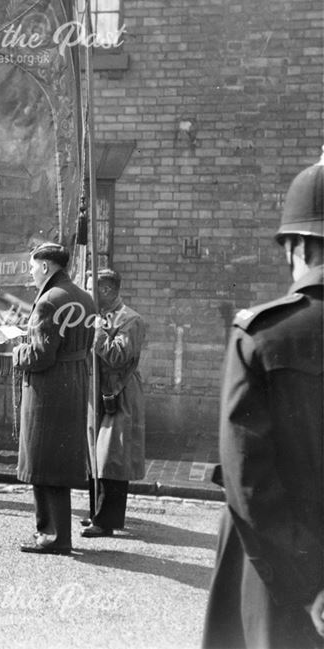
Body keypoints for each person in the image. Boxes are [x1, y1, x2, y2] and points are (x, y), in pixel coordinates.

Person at [202, 155, 324, 648]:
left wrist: (312, 583)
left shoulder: (262, 335)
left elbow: (248, 478)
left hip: (276, 575)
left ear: (296, 246)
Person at [12, 242, 96, 555]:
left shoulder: (48, 300)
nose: (31, 272)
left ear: (46, 267)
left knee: (43, 462)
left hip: (47, 388)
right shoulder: (83, 297)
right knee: (56, 463)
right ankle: (53, 532)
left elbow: (40, 355)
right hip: (73, 383)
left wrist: (18, 351)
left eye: (33, 266)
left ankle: (53, 536)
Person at [80, 268, 147, 538]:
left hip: (119, 393)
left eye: (90, 288)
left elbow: (118, 356)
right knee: (96, 455)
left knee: (113, 456)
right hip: (97, 392)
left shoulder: (130, 320)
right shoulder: (97, 316)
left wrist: (96, 334)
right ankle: (97, 513)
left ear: (106, 290)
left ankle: (106, 522)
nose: (86, 294)